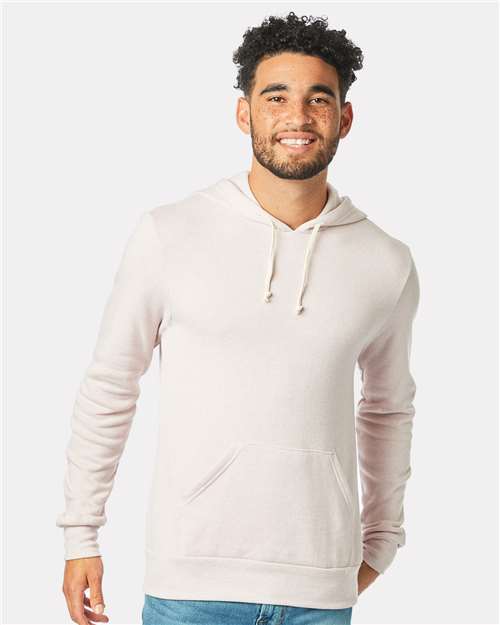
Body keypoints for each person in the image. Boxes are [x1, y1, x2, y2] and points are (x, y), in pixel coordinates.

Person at [56, 11, 419, 625]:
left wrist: (381, 542)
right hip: (189, 583)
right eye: (276, 97)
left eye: (318, 99)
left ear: (345, 119)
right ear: (245, 114)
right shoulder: (169, 233)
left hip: (319, 592)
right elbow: (111, 385)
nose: (297, 117)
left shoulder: (386, 261)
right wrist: (80, 534)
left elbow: (388, 409)